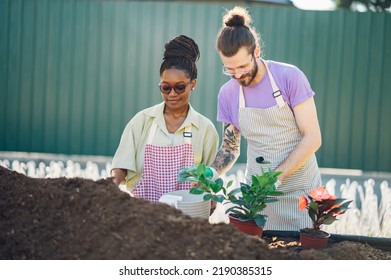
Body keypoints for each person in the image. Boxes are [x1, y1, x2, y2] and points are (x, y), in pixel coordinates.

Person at [188, 6, 322, 231]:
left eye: (242, 66)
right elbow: (230, 149)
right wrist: (209, 173)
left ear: (256, 51)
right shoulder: (228, 94)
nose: (238, 75)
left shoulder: (289, 78)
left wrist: (275, 178)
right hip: (257, 197)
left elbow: (313, 138)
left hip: (300, 192)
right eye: (230, 70)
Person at [110, 35, 219, 203]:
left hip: (188, 214)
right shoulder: (142, 121)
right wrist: (107, 189)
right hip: (144, 214)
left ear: (193, 84)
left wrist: (209, 197)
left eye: (180, 87)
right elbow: (121, 166)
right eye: (166, 88)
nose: (172, 94)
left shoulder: (205, 129)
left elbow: (210, 174)